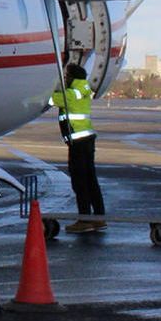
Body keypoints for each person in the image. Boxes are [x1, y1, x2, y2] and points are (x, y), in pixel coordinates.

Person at [51, 63, 106, 232]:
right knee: (91, 179)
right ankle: (98, 217)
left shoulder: (70, 94)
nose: (65, 79)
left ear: (73, 78)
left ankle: (84, 219)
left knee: (79, 181)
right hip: (87, 140)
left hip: (78, 144)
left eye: (66, 76)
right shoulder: (83, 90)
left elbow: (50, 99)